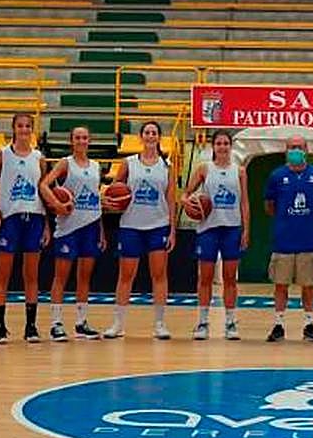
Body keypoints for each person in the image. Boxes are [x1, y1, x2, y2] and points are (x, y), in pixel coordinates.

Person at [0, 112, 48, 344]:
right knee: (3, 274)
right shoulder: (3, 155)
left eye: (28, 126)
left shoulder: (39, 158)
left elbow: (44, 192)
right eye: (20, 126)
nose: (24, 130)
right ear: (13, 128)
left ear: (32, 129)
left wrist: (46, 224)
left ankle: (31, 326)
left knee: (31, 275)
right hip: (9, 219)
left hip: (34, 217)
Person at [105, 120, 177, 341]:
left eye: (154, 133)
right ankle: (118, 324)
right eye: (147, 132)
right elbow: (114, 190)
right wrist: (111, 201)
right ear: (141, 137)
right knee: (126, 275)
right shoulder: (128, 163)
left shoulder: (167, 166)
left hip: (158, 225)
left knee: (159, 275)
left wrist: (172, 230)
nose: (150, 136)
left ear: (159, 137)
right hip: (131, 225)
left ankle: (160, 324)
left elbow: (171, 199)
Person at [181, 129, 249, 340]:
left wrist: (246, 229)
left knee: (230, 278)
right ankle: (202, 322)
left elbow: (244, 203)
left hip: (232, 228)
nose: (222, 147)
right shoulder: (204, 169)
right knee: (206, 277)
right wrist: (187, 202)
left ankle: (230, 322)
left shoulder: (240, 171)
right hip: (208, 229)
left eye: (225, 143)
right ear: (213, 146)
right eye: (218, 143)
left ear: (231, 146)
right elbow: (185, 194)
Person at [41, 126, 104, 342]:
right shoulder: (65, 163)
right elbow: (44, 185)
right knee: (61, 276)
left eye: (85, 137)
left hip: (91, 225)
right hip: (68, 228)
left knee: (85, 276)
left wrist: (101, 231)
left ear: (89, 140)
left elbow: (96, 198)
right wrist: (57, 204)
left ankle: (81, 323)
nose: (81, 141)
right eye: (77, 137)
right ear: (71, 141)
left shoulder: (96, 166)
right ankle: (56, 324)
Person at [264, 134, 313, 343]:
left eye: (299, 147)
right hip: (283, 240)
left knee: (307, 285)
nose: (296, 151)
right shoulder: (276, 175)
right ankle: (279, 324)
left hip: (307, 240)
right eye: (292, 147)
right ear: (286, 150)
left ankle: (309, 325)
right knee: (280, 285)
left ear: (306, 150)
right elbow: (270, 206)